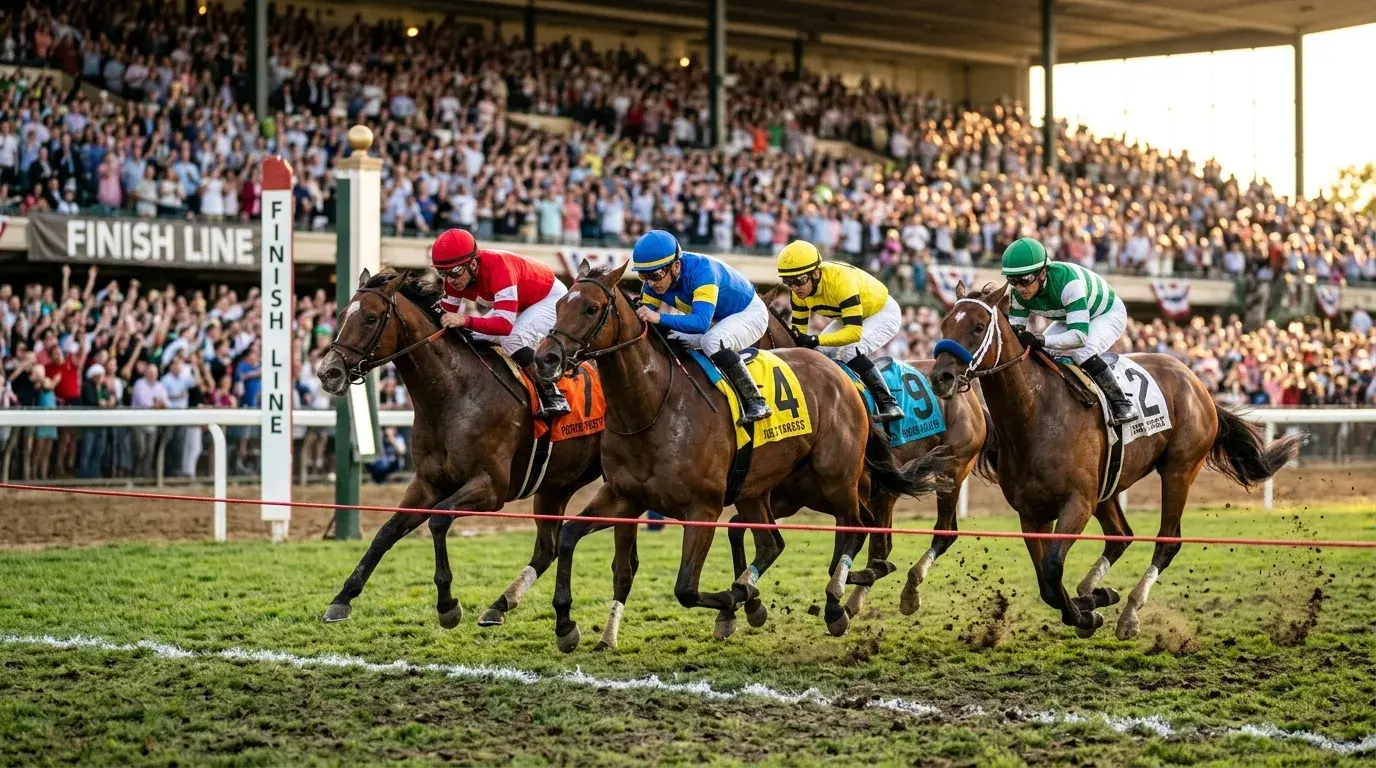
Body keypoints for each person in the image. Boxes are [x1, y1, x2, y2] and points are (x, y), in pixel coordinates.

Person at [630, 229, 770, 425]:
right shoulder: (653, 284)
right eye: (643, 277)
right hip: (715, 318)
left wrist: (658, 317)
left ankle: (756, 401)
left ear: (675, 266)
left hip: (748, 313)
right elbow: (646, 324)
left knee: (711, 341)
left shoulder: (702, 272)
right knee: (669, 337)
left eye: (655, 274)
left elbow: (700, 323)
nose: (650, 283)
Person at [429, 228, 569, 419]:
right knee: (469, 336)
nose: (450, 280)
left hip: (548, 297)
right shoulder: (452, 279)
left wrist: (465, 319)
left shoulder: (498, 267)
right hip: (519, 302)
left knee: (513, 338)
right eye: (442, 273)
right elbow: (444, 318)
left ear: (473, 263)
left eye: (455, 271)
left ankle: (553, 393)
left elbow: (504, 326)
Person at [1001, 237, 1138, 425]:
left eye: (1024, 280)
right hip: (1070, 315)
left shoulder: (1067, 283)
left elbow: (1079, 337)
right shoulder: (1018, 293)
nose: (1019, 288)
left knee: (1083, 350)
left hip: (1105, 313)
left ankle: (1122, 403)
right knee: (1041, 354)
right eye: (1012, 280)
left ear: (1042, 273)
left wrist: (1040, 339)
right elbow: (1015, 334)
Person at [776, 240, 902, 423]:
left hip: (881, 312)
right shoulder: (797, 294)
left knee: (850, 351)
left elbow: (853, 333)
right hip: (851, 317)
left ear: (816, 273)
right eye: (788, 281)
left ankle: (889, 403)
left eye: (799, 280)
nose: (795, 287)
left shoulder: (840, 280)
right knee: (821, 354)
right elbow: (799, 336)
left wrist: (815, 339)